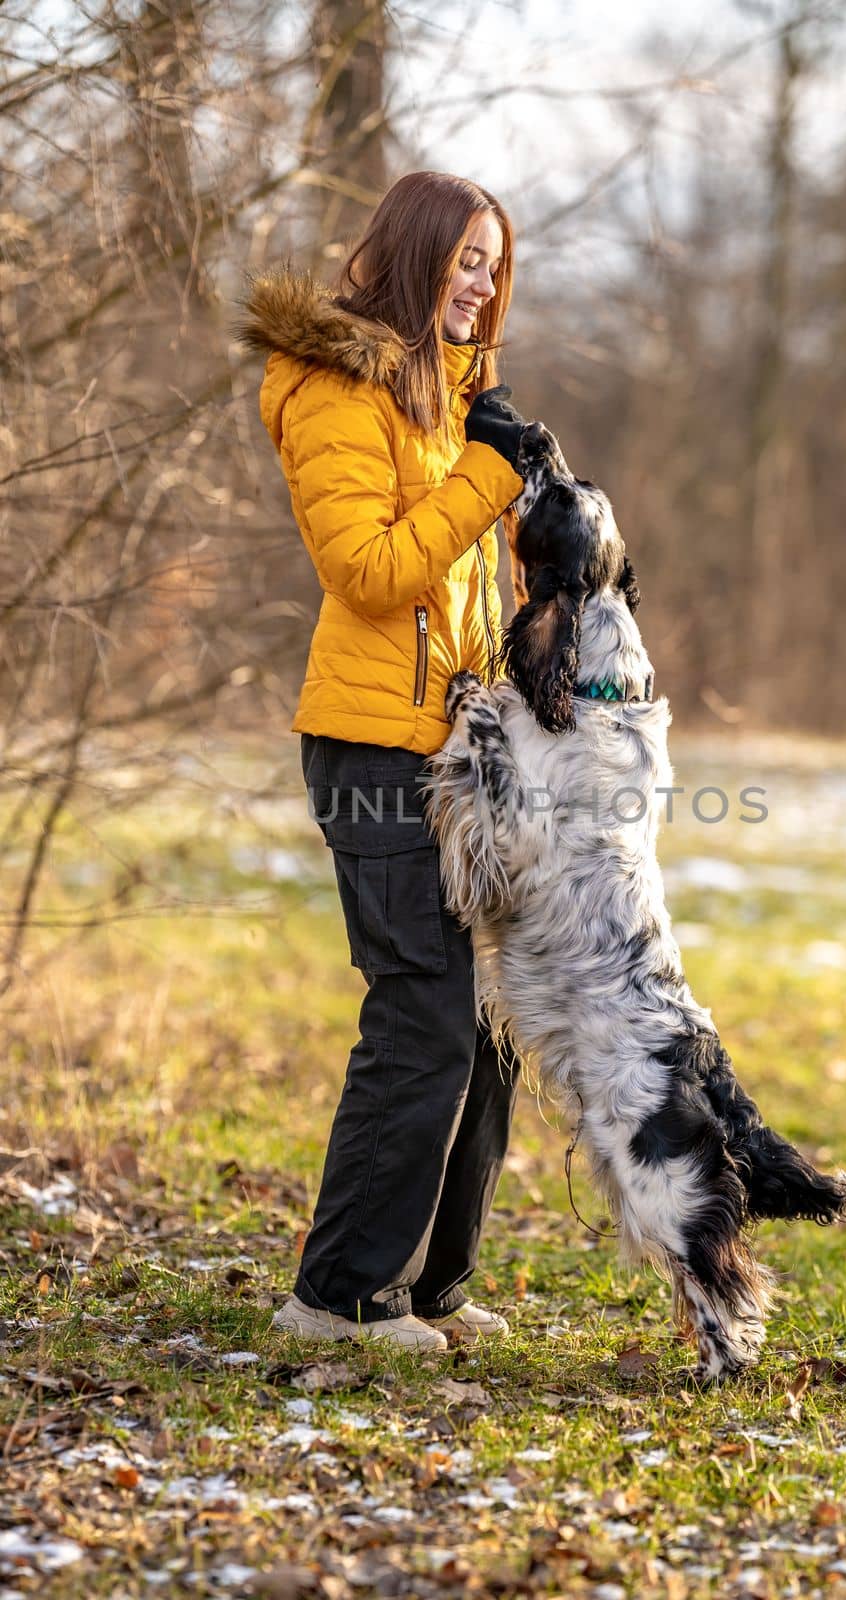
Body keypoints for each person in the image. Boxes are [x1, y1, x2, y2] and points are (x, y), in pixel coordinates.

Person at [237, 171, 529, 1352]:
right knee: (422, 1010)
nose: (483, 282)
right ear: (412, 255)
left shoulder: (455, 399)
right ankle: (336, 1299)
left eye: (495, 264)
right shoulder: (330, 388)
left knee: (491, 1021)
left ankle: (427, 1287)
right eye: (465, 258)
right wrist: (484, 479)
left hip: (458, 748)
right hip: (368, 745)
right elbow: (366, 571)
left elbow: (462, 583)